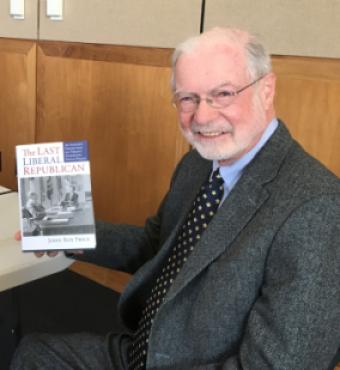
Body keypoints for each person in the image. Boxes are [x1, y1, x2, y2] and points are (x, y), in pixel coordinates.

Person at [10, 27, 340, 370]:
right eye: (188, 98)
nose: (202, 117)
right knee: (35, 354)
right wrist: (70, 231)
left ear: (266, 89)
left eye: (222, 94)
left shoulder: (317, 207)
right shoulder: (198, 163)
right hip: (147, 350)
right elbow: (157, 245)